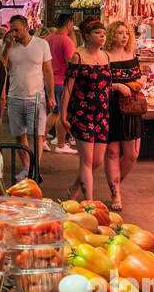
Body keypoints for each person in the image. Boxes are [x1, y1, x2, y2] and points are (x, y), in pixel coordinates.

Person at [60, 19, 111, 202]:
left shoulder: (106, 57)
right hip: (81, 114)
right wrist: (63, 115)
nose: (102, 36)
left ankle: (74, 188)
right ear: (87, 36)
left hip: (102, 114)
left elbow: (106, 86)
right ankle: (89, 202)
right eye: (98, 33)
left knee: (97, 161)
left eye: (103, 33)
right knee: (87, 161)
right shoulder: (78, 57)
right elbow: (68, 88)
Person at [4, 15, 55, 182]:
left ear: (26, 27)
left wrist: (51, 95)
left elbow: (48, 71)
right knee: (19, 136)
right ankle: (27, 167)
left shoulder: (41, 44)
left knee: (38, 136)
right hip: (14, 97)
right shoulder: (10, 45)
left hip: (36, 97)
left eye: (17, 30)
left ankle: (35, 168)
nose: (14, 33)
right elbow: (2, 66)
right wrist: (8, 46)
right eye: (12, 30)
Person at [103, 20, 145, 212]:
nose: (124, 36)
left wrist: (139, 82)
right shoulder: (104, 56)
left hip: (131, 107)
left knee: (132, 154)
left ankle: (116, 181)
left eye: (126, 33)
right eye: (120, 33)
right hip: (110, 107)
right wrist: (117, 86)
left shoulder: (132, 55)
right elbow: (98, 84)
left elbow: (140, 77)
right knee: (112, 152)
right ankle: (116, 193)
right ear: (113, 35)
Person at [45, 16, 77, 154]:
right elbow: (71, 61)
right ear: (69, 24)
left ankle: (55, 141)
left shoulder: (48, 39)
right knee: (58, 113)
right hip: (61, 81)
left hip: (49, 80)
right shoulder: (66, 40)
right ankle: (57, 143)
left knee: (56, 112)